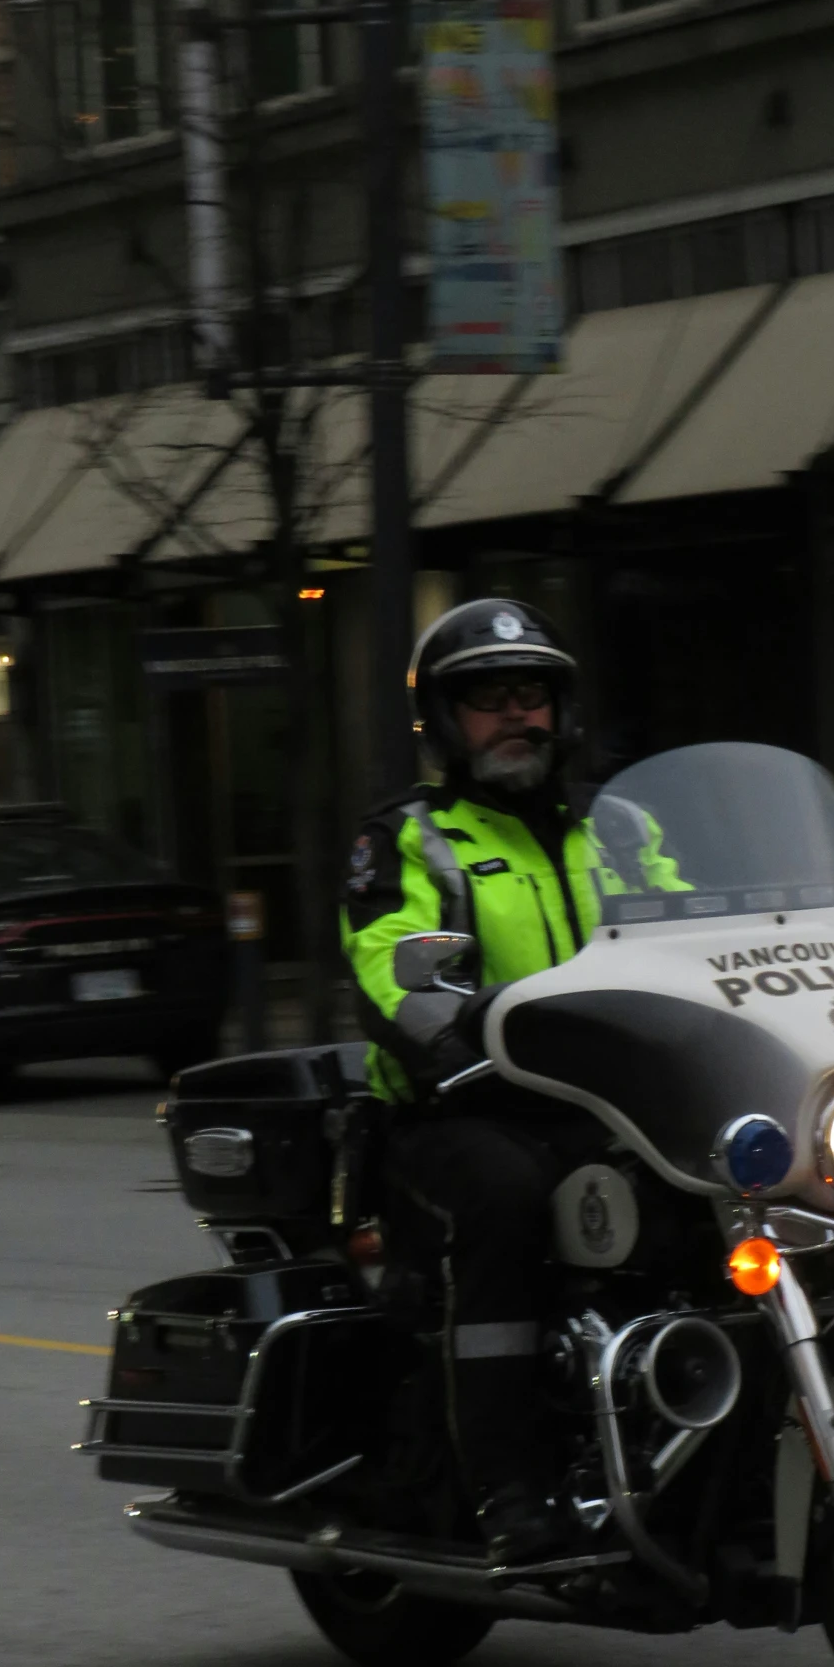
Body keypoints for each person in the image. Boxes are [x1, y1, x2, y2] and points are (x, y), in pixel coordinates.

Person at [340, 597, 658, 1567]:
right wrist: (461, 1038)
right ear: (444, 720)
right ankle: (510, 1487)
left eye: (531, 694)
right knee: (508, 1196)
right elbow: (390, 962)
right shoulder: (412, 838)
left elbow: (707, 924)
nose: (515, 716)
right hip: (461, 1109)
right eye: (486, 698)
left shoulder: (623, 829)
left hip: (618, 1105)